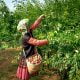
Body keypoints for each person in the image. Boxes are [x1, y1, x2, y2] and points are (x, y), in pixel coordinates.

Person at [16, 14, 48, 80]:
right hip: (27, 56)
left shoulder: (28, 31)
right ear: (25, 27)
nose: (30, 25)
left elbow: (34, 25)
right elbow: (36, 42)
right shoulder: (25, 37)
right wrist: (47, 41)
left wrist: (40, 18)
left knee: (29, 72)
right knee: (25, 75)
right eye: (28, 25)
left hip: (29, 54)